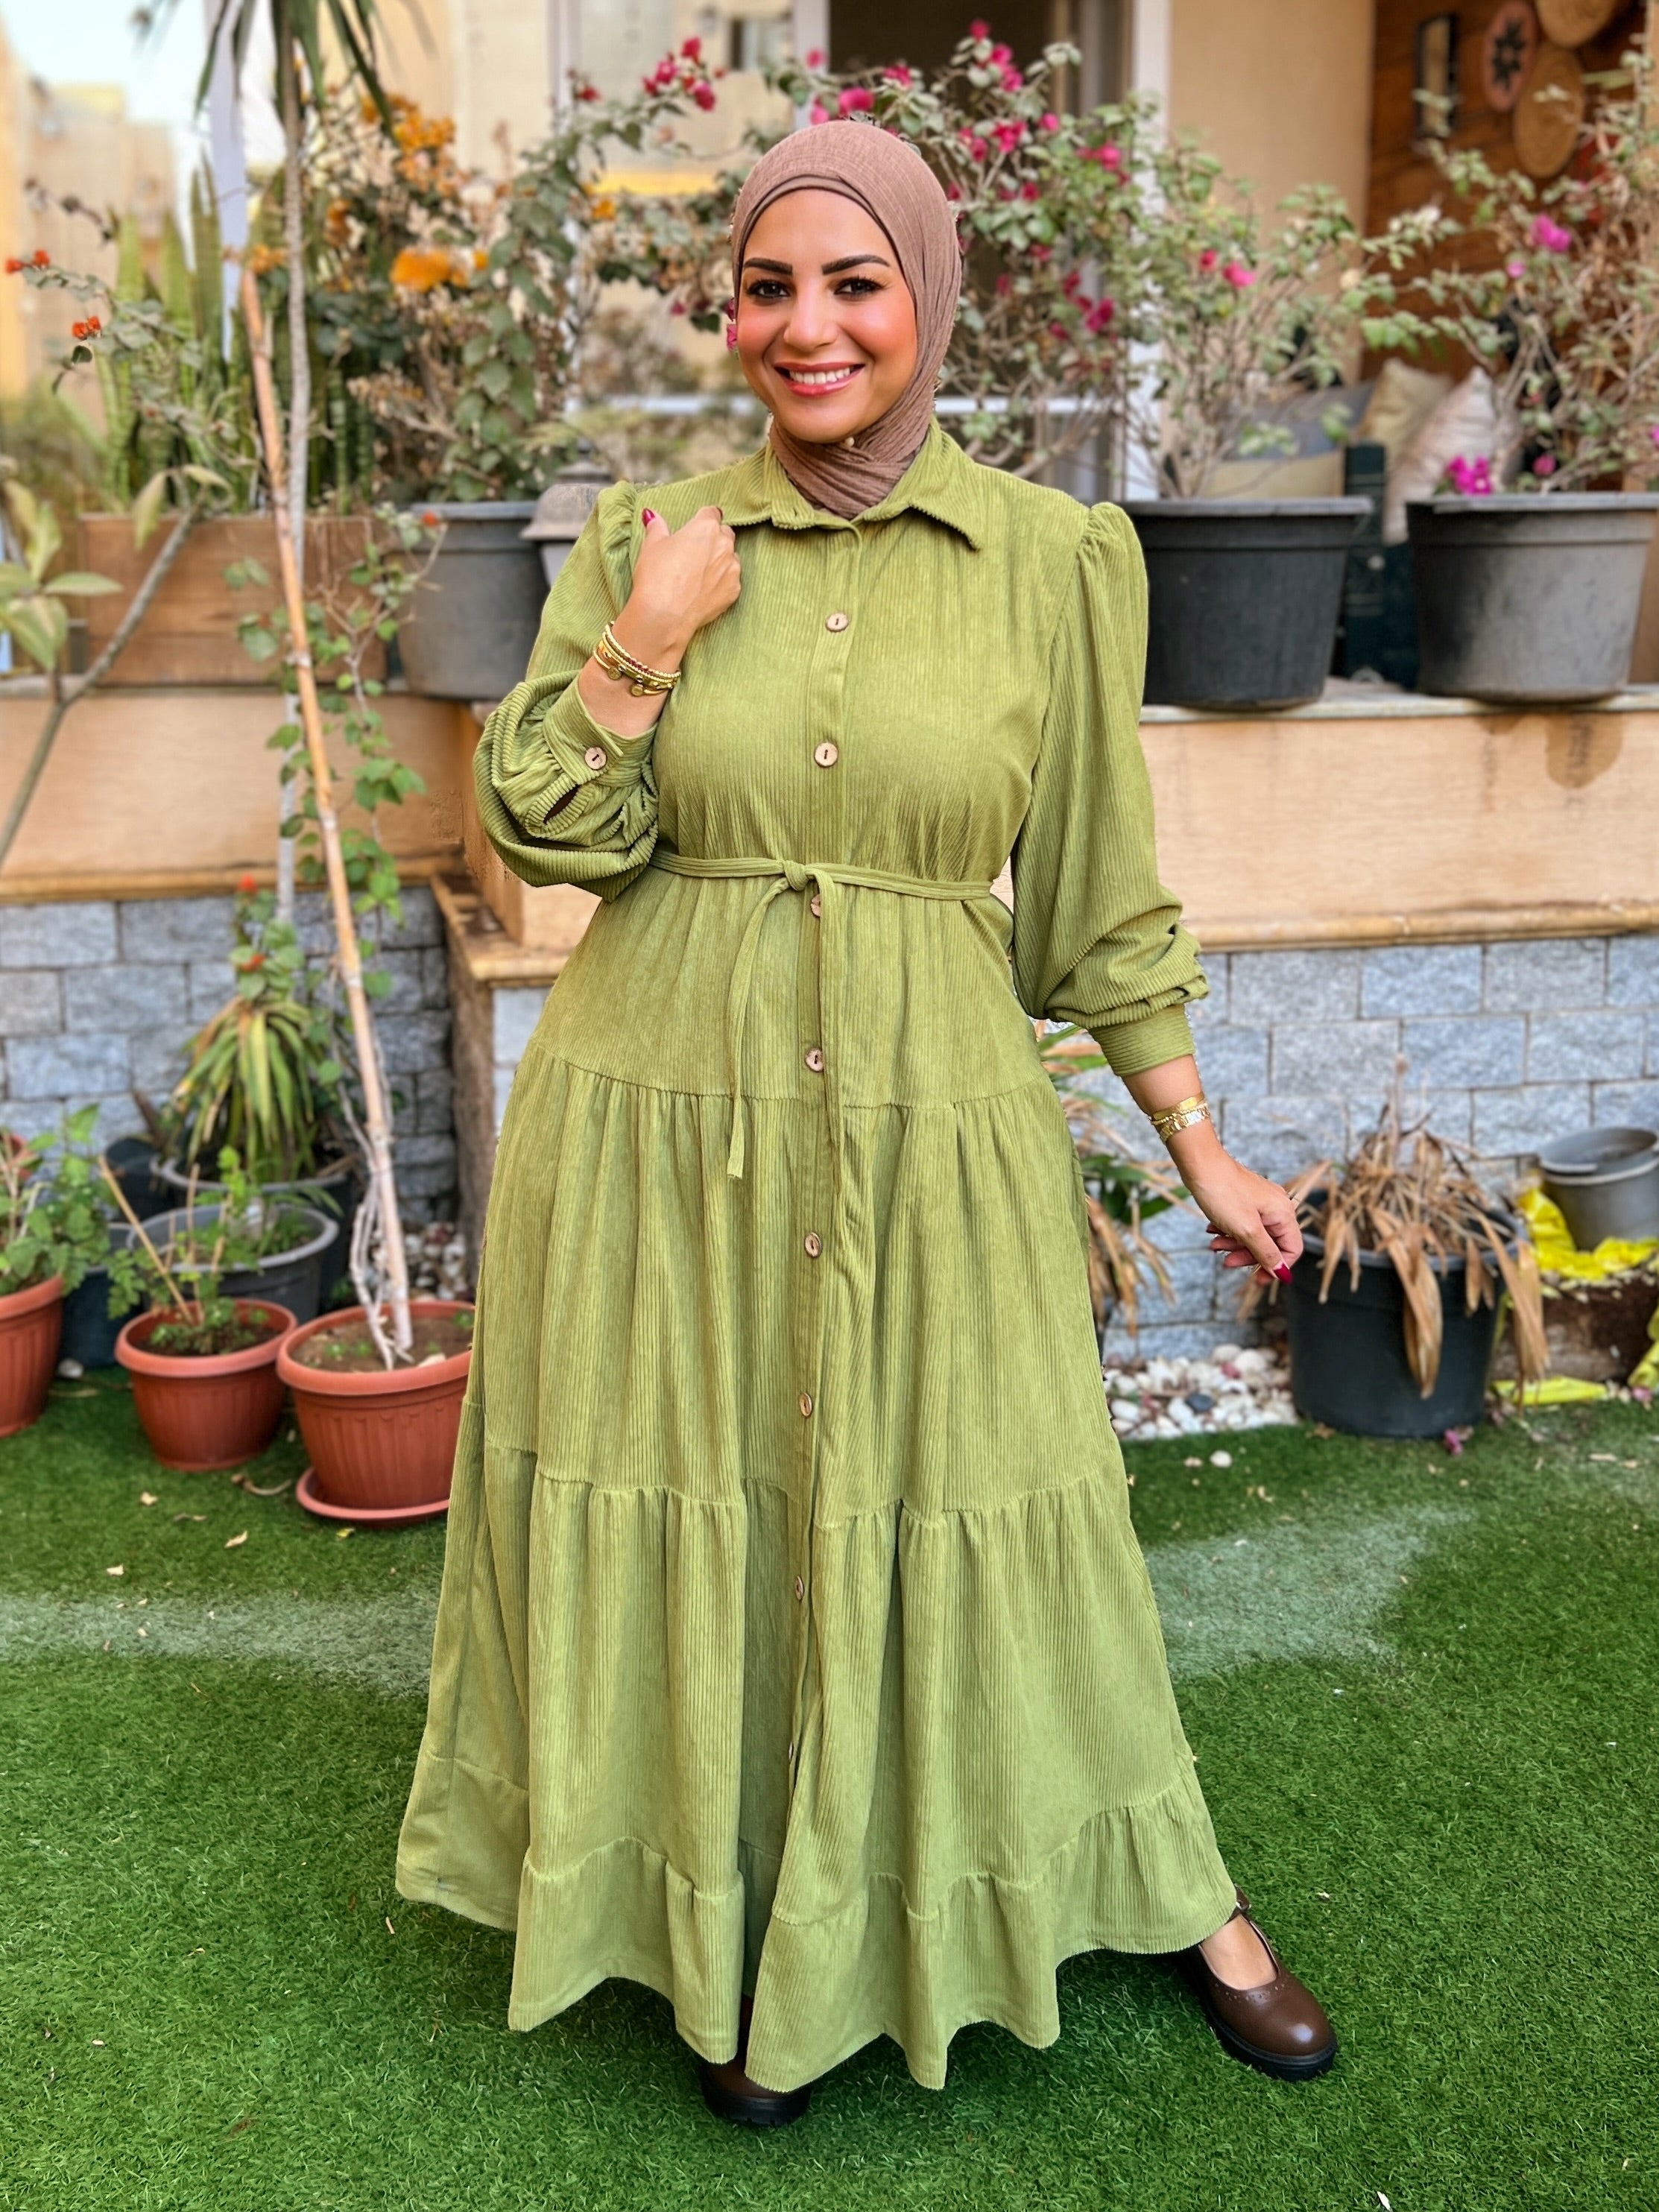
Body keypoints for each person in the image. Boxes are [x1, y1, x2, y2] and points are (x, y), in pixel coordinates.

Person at [396, 119, 1336, 2125]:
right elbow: (542, 832)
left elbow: (1092, 893)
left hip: (935, 1117)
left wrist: (1199, 1145)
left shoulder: (1053, 562)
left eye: (853, 283)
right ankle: (743, 1929)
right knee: (713, 1500)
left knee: (1002, 1492)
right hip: (659, 1115)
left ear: (930, 298)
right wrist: (648, 639)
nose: (805, 327)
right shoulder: (643, 539)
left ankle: (1183, 1893)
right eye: (767, 287)